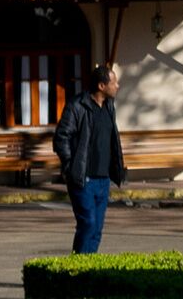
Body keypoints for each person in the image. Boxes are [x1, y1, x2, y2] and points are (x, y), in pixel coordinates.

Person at [53, 65, 122, 255]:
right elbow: (61, 138)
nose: (117, 85)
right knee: (88, 224)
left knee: (97, 229)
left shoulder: (109, 106)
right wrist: (70, 166)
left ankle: (89, 270)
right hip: (83, 179)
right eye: (114, 82)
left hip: (103, 178)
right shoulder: (77, 106)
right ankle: (78, 270)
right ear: (101, 86)